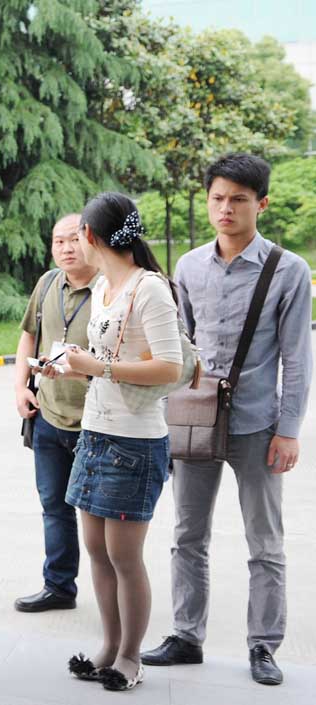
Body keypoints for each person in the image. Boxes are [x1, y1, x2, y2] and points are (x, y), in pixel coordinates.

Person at [141, 154, 312, 686]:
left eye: (238, 198)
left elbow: (297, 357)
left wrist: (289, 429)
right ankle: (187, 636)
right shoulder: (189, 267)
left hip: (259, 425)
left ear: (261, 203)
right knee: (187, 534)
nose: (226, 208)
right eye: (218, 197)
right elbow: (177, 352)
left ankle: (263, 645)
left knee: (265, 542)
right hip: (193, 422)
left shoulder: (289, 270)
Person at [50, 193, 183, 691]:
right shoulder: (107, 283)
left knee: (125, 557)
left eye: (75, 233)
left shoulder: (150, 289)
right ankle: (108, 645)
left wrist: (96, 366)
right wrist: (75, 360)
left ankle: (130, 657)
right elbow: (111, 354)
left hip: (135, 441)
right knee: (96, 550)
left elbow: (169, 366)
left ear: (90, 236)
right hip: (96, 431)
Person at [13, 214, 99, 613]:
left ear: (91, 240)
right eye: (57, 241)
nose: (65, 248)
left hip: (97, 421)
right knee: (54, 506)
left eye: (73, 240)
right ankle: (59, 586)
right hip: (47, 414)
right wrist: (20, 387)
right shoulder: (48, 283)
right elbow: (29, 333)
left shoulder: (110, 288)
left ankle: (113, 594)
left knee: (101, 515)